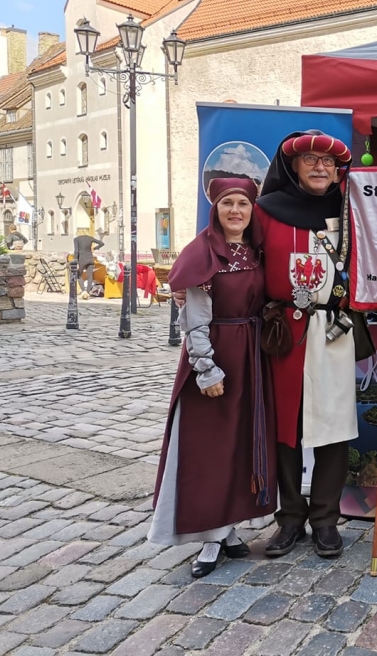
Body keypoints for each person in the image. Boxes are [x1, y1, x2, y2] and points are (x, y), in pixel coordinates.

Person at [147, 178, 277, 578]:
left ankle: (228, 530)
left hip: (251, 358)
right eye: (227, 204)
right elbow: (195, 320)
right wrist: (206, 370)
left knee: (240, 445)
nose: (235, 211)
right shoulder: (202, 253)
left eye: (242, 204)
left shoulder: (255, 252)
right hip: (217, 358)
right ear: (215, 210)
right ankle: (208, 536)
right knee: (210, 449)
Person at [255, 130, 358, 559]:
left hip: (334, 328)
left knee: (333, 428)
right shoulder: (265, 213)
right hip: (286, 330)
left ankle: (326, 521)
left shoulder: (353, 211)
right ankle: (290, 518)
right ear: (293, 166)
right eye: (311, 160)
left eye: (329, 162)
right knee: (287, 429)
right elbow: (236, 256)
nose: (321, 167)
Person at [73, 230, 104, 299]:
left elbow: (76, 251)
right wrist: (95, 248)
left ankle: (83, 291)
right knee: (90, 277)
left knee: (78, 275)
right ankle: (87, 292)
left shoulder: (76, 239)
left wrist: (76, 261)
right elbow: (102, 243)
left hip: (81, 259)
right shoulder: (90, 238)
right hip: (90, 258)